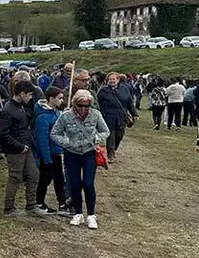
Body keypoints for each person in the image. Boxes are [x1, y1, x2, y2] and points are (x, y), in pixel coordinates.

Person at [51, 89, 110, 229]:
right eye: (80, 105)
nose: (83, 108)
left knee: (88, 183)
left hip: (89, 153)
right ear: (74, 103)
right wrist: (66, 142)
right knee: (75, 184)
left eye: (87, 106)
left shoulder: (96, 115)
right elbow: (54, 134)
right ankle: (78, 213)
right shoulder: (66, 116)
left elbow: (105, 131)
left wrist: (97, 138)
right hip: (72, 153)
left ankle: (91, 215)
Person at [0, 80, 46, 217]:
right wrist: (18, 146)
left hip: (26, 146)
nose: (31, 97)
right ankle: (9, 207)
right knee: (15, 177)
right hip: (15, 149)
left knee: (33, 174)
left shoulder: (21, 106)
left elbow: (26, 119)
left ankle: (31, 204)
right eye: (29, 95)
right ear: (22, 94)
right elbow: (2, 134)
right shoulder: (8, 110)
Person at [34, 86, 69, 214]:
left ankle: (62, 203)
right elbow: (42, 140)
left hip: (57, 152)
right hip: (48, 154)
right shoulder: (43, 117)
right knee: (44, 179)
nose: (62, 100)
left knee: (59, 179)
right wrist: (46, 158)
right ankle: (39, 202)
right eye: (59, 98)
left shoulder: (57, 113)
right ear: (51, 99)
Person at [96, 72, 137, 162]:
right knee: (110, 135)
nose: (111, 81)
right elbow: (97, 103)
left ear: (118, 80)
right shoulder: (103, 90)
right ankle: (111, 155)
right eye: (110, 79)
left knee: (119, 135)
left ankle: (113, 149)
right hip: (107, 116)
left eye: (113, 79)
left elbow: (130, 102)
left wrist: (134, 114)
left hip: (121, 116)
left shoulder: (125, 89)